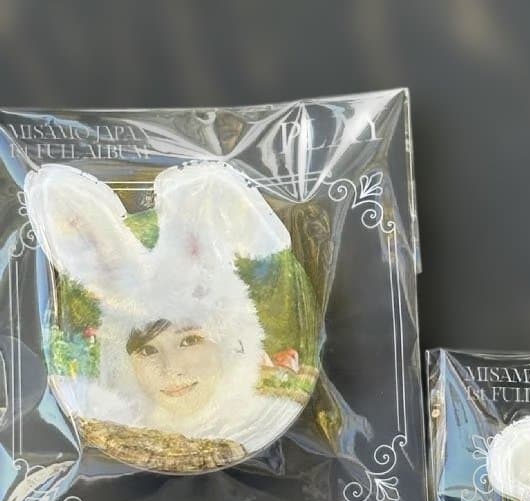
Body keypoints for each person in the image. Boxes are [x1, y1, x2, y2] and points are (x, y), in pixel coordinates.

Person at [24, 161, 317, 467]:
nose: (171, 369)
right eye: (147, 350)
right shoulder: (110, 423)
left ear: (230, 339)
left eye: (189, 340)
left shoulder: (263, 415)